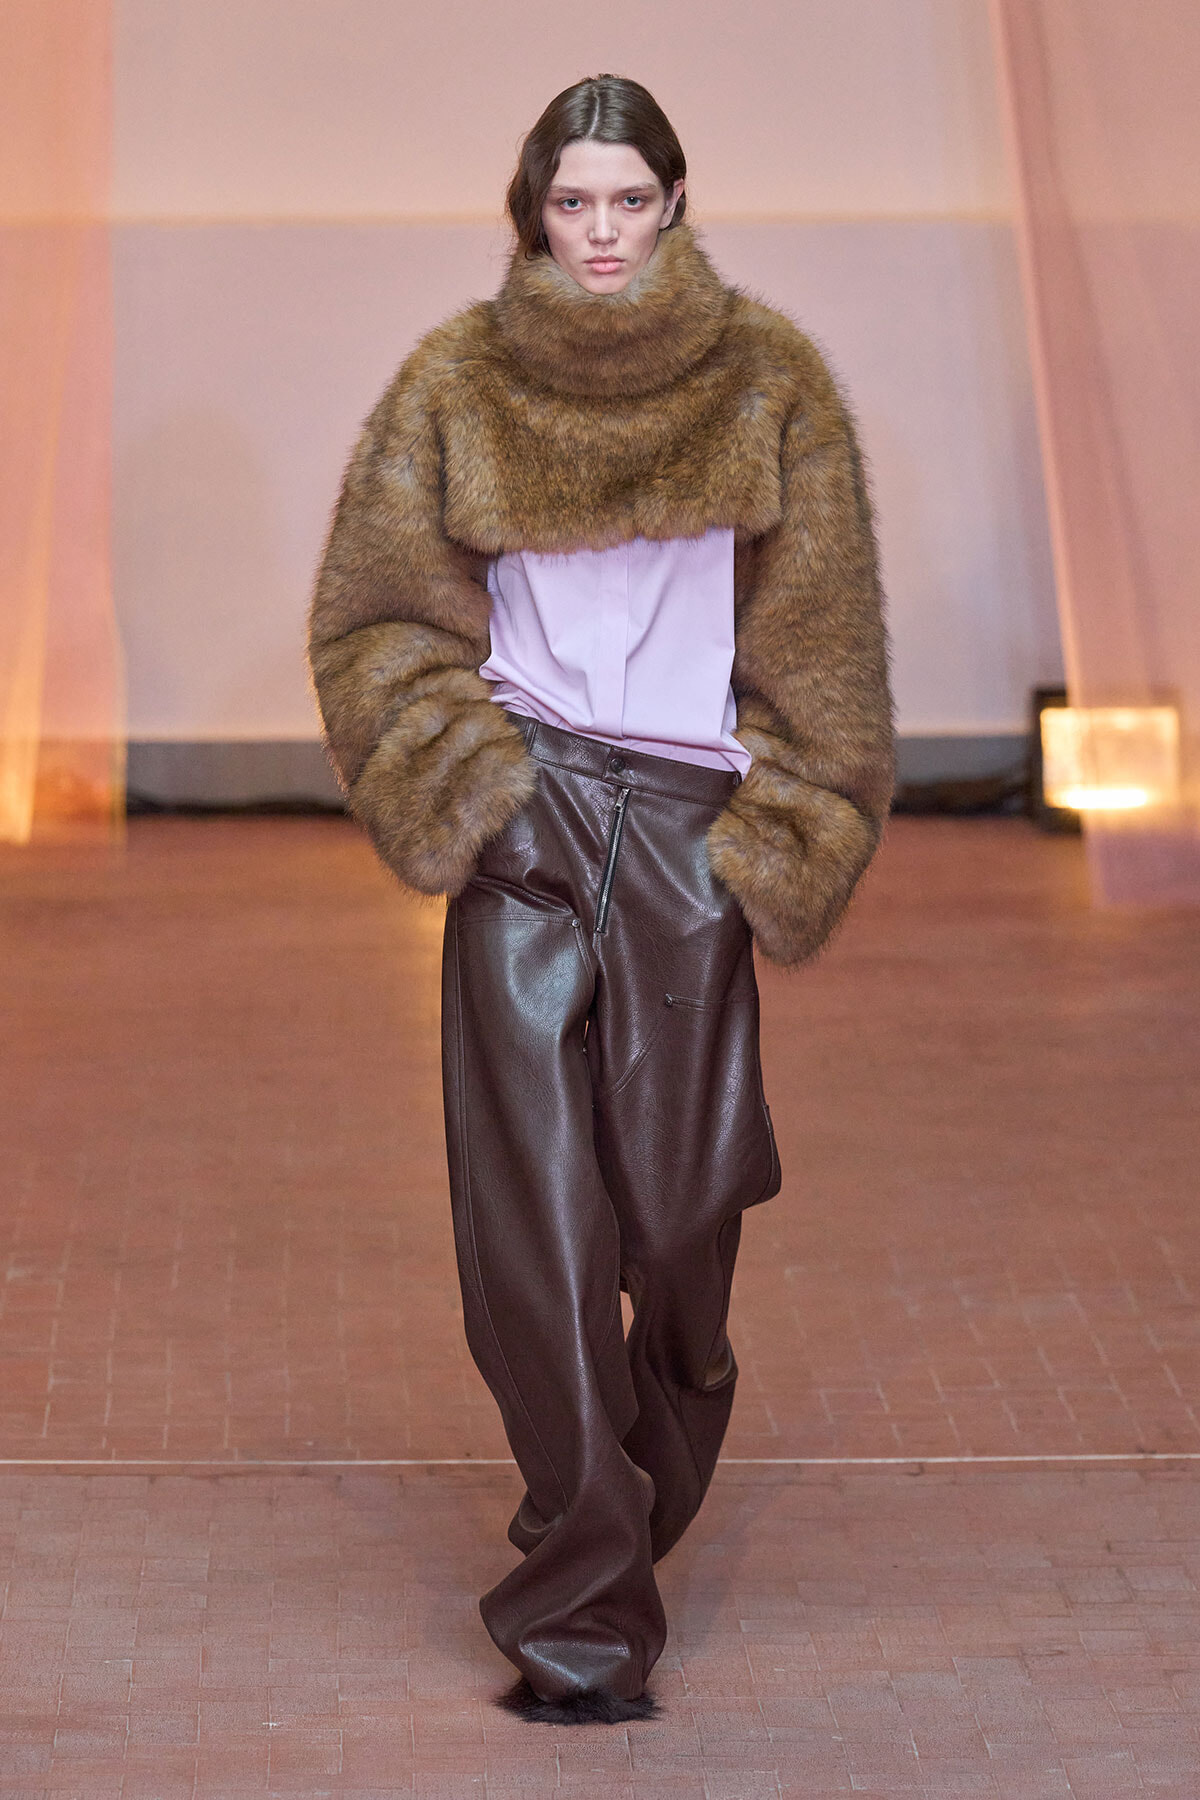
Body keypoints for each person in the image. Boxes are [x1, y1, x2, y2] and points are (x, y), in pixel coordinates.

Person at [307, 74, 894, 1725]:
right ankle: (582, 1612)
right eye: (575, 203)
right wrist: (468, 787)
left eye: (630, 201)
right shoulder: (458, 383)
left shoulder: (769, 382)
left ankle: (637, 1478)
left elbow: (822, 634)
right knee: (543, 1237)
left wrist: (780, 835)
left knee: (687, 1227)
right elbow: (375, 619)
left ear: (676, 207)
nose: (604, 231)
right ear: (533, 215)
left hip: (689, 829)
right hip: (533, 815)